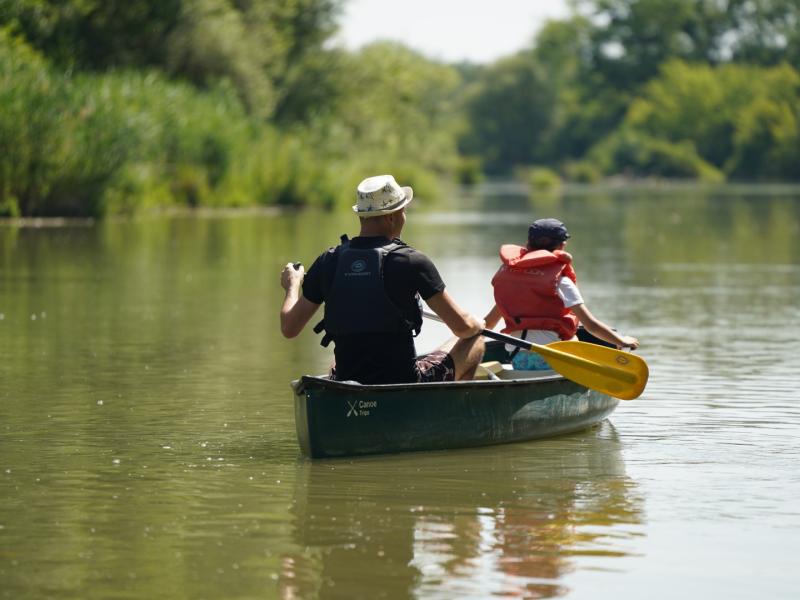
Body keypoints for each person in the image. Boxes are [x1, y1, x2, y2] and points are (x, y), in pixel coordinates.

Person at [280, 174, 485, 384]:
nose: (404, 217)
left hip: (348, 382)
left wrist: (292, 285)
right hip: (404, 384)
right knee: (475, 341)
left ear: (361, 217)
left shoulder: (328, 261)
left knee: (335, 363)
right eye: (403, 211)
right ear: (391, 217)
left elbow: (289, 328)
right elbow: (462, 328)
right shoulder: (413, 261)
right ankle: (452, 404)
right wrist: (477, 323)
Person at [484, 218, 639, 370]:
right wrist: (622, 341)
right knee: (582, 337)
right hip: (555, 360)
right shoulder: (560, 281)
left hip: (518, 360)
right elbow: (591, 325)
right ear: (562, 245)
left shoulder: (512, 281)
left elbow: (488, 324)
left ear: (528, 244)